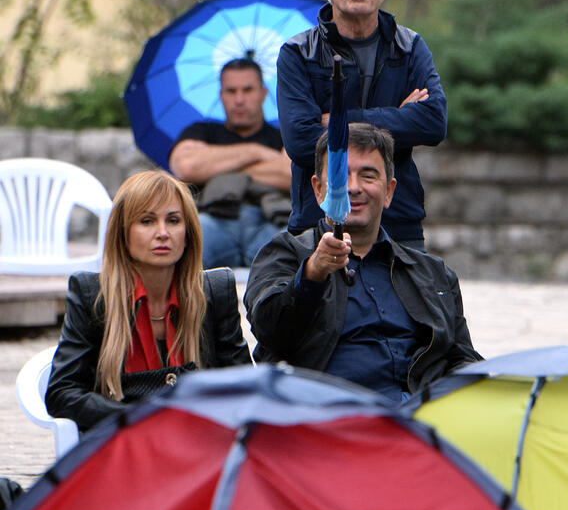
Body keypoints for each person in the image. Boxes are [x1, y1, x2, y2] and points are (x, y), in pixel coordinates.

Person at [244, 123, 480, 401]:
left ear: (389, 191)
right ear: (319, 190)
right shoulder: (284, 255)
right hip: (326, 417)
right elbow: (271, 336)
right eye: (340, 176)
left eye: (368, 176)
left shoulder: (433, 273)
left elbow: (462, 359)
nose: (353, 188)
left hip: (417, 417)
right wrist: (313, 273)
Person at [277, 0, 446, 249]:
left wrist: (335, 121)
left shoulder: (409, 47)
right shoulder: (298, 53)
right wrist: (397, 117)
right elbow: (300, 142)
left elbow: (434, 122)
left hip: (398, 222)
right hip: (319, 223)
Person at [46, 171, 252, 431]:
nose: (163, 233)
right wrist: (138, 419)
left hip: (197, 445)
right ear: (123, 232)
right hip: (124, 445)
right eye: (146, 221)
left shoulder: (215, 289)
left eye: (174, 220)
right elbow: (61, 394)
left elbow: (244, 385)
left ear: (188, 231)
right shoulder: (91, 293)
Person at [170, 57, 292, 267]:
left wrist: (215, 167)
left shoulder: (284, 135)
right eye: (231, 91)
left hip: (271, 221)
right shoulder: (201, 131)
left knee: (294, 247)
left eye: (247, 90)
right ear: (221, 95)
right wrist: (257, 152)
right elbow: (185, 167)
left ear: (263, 93)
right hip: (214, 220)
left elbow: (290, 174)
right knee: (188, 236)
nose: (239, 99)